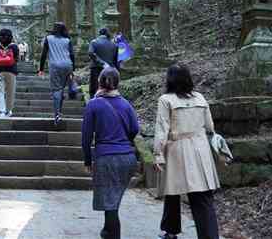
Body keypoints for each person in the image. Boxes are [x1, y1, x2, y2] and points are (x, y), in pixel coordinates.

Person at [153, 65, 220, 239]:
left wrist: (158, 154)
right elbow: (210, 126)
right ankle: (208, 236)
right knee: (203, 198)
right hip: (200, 148)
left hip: (177, 149)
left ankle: (170, 230)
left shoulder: (165, 99)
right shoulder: (200, 98)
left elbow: (162, 129)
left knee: (173, 190)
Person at [82, 67, 139, 239]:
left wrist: (87, 161)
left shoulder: (93, 104)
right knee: (113, 200)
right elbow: (135, 129)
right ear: (117, 83)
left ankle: (112, 234)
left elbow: (86, 137)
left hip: (106, 158)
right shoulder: (126, 104)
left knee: (110, 203)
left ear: (99, 82)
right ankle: (107, 231)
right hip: (128, 158)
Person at [38, 22, 75, 125]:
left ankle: (57, 115)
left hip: (55, 66)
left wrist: (41, 69)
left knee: (56, 90)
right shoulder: (67, 40)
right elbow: (72, 55)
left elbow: (44, 54)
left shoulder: (49, 39)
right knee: (61, 89)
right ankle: (60, 111)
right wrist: (73, 69)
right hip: (68, 65)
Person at [0, 29, 19, 117]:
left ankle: (1, 111)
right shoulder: (14, 47)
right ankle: (8, 111)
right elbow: (16, 59)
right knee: (10, 91)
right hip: (11, 71)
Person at [88, 28, 120, 99]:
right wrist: (117, 70)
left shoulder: (94, 42)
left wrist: (101, 62)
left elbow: (90, 53)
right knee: (108, 87)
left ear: (99, 34)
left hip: (96, 68)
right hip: (110, 69)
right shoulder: (114, 44)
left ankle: (94, 103)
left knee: (95, 87)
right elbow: (116, 60)